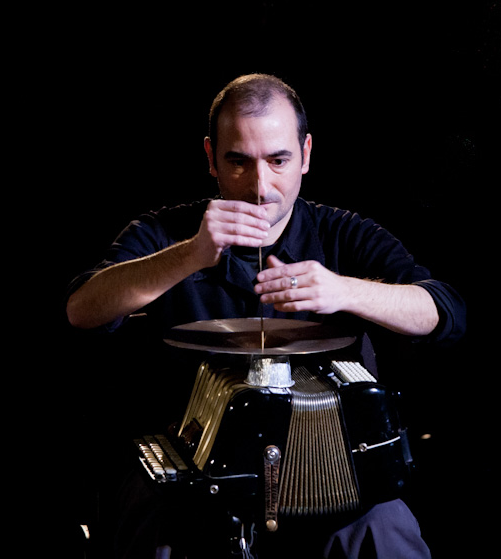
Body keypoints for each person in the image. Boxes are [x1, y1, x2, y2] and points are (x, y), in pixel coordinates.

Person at [66, 73, 466, 558]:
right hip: (190, 479)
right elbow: (82, 310)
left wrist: (343, 290)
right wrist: (190, 253)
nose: (260, 187)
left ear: (306, 154)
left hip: (327, 474)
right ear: (211, 157)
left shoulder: (342, 233)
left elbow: (444, 311)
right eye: (239, 161)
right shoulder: (165, 232)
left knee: (385, 531)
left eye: (278, 161)